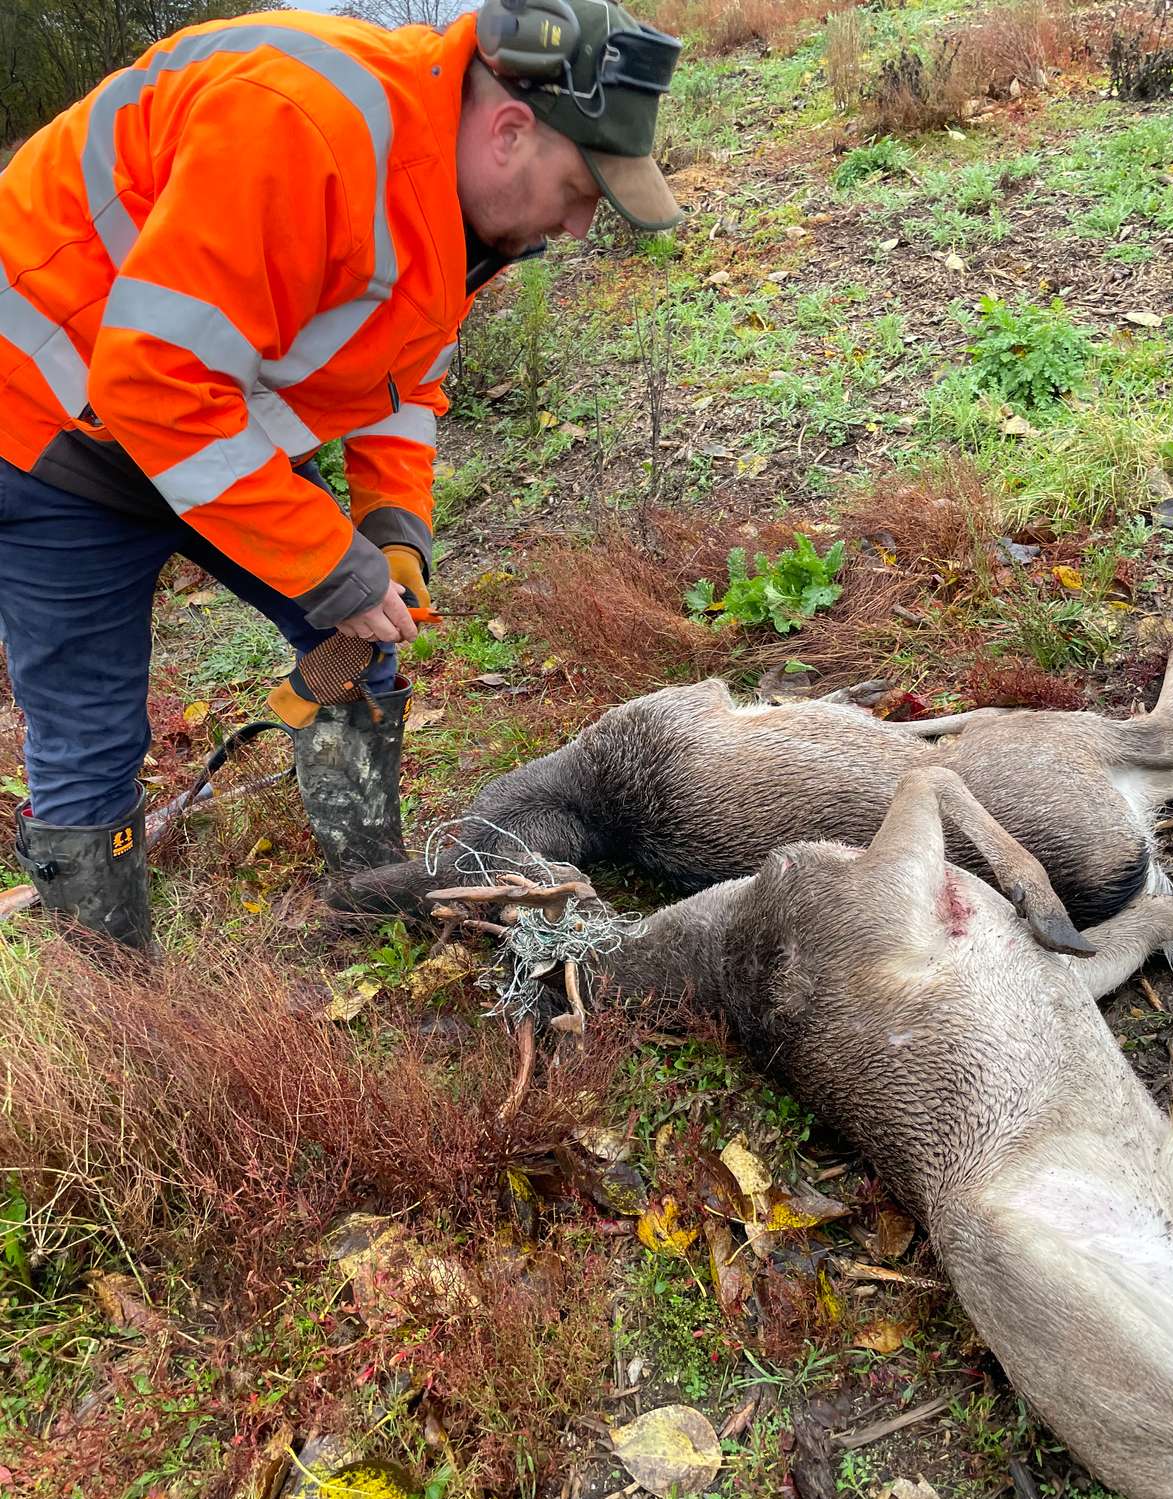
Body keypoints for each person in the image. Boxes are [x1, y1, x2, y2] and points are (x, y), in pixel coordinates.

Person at [0, 0, 683, 946]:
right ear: (512, 130)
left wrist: (393, 530)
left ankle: (369, 899)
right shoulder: (300, 124)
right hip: (45, 425)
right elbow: (152, 382)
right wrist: (333, 563)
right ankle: (122, 1017)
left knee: (362, 641)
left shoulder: (450, 207)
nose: (576, 225)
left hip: (207, 427)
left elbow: (401, 380)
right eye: (580, 190)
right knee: (91, 742)